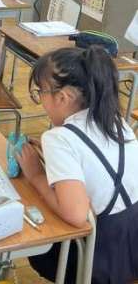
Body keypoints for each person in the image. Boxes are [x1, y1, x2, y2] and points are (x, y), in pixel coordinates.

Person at [17, 46, 138, 284]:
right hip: (133, 242)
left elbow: (76, 215)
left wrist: (36, 175)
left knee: (38, 237)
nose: (40, 100)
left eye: (40, 92)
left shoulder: (57, 138)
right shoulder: (115, 121)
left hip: (102, 260)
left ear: (63, 97)